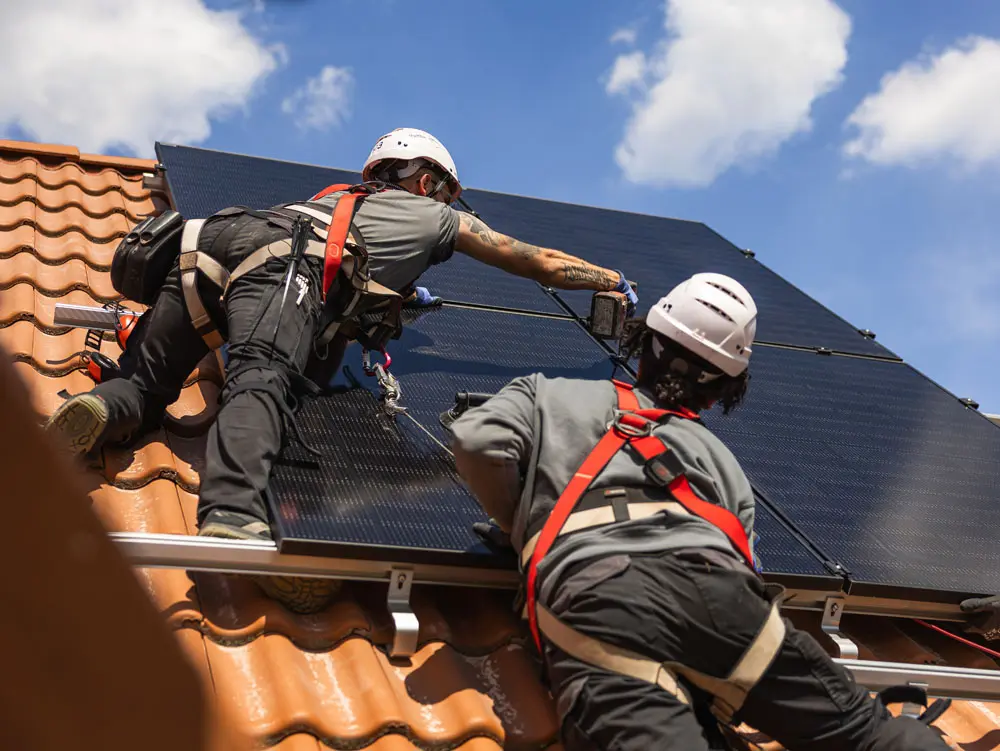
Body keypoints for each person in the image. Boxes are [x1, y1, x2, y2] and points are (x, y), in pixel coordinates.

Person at [45, 127, 637, 611]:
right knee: (263, 378)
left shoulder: (338, 200)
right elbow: (535, 261)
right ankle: (232, 516)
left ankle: (100, 409)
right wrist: (608, 279)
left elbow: (344, 260)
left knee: (143, 386)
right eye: (444, 192)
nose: (446, 205)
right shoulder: (435, 217)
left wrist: (393, 294)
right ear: (427, 182)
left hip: (208, 248)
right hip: (282, 266)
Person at [449, 273, 950, 750]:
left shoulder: (546, 392)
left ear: (644, 343)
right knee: (867, 735)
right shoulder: (723, 463)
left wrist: (524, 530)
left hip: (601, 597)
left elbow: (478, 442)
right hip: (722, 597)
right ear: (718, 393)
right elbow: (744, 562)